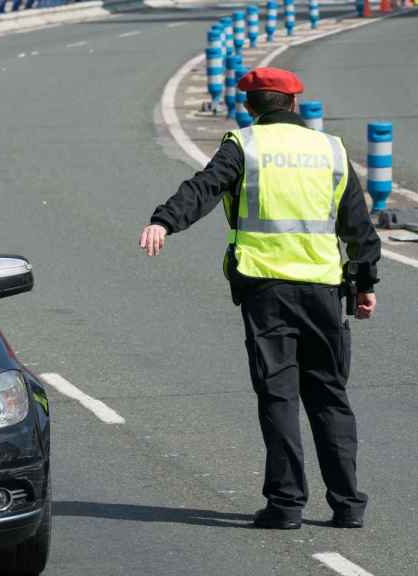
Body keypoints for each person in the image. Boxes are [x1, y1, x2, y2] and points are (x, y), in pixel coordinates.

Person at [139, 68, 381, 530]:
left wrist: (163, 221)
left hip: (266, 288)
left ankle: (286, 505)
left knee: (279, 396)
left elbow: (203, 189)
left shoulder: (244, 145)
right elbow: (358, 226)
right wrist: (364, 282)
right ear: (294, 103)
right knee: (330, 395)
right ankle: (348, 505)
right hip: (324, 289)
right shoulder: (329, 149)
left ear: (249, 106)